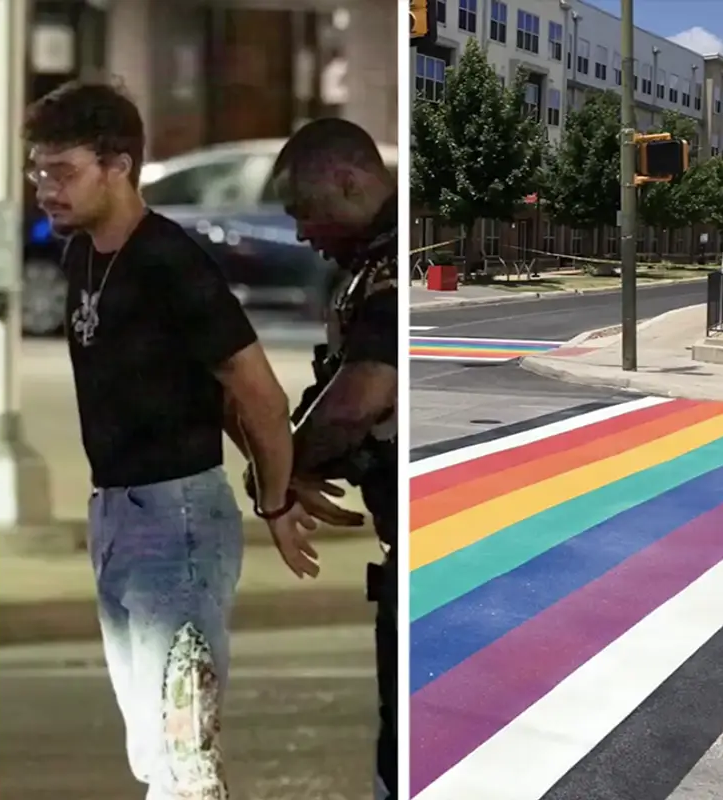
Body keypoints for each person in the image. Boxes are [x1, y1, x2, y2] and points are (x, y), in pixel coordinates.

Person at [23, 79, 318, 800]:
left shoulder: (171, 261)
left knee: (185, 758)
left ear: (118, 165)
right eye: (38, 172)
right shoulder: (81, 255)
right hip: (115, 517)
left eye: (62, 172)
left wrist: (276, 500)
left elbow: (257, 392)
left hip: (177, 522)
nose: (46, 190)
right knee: (155, 754)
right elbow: (211, 393)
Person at [247, 117, 399, 799]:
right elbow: (332, 391)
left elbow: (356, 401)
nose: (303, 233)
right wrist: (288, 457)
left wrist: (279, 472)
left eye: (304, 211)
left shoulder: (395, 269)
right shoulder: (365, 270)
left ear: (350, 181)